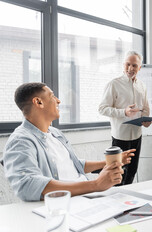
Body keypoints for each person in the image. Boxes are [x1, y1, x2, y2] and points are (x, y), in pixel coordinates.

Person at [3, 82, 135, 201]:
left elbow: (74, 164)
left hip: (87, 196)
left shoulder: (55, 133)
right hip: (68, 203)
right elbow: (27, 185)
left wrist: (108, 163)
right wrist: (95, 185)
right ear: (38, 102)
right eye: (52, 96)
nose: (58, 101)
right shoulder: (20, 141)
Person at [99, 51, 151, 185]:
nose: (130, 68)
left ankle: (128, 202)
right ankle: (117, 203)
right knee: (118, 176)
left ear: (139, 68)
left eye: (134, 65)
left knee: (132, 173)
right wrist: (124, 112)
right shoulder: (114, 84)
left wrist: (146, 119)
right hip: (120, 138)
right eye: (128, 64)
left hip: (137, 137)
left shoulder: (142, 86)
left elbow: (145, 108)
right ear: (123, 65)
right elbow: (102, 108)